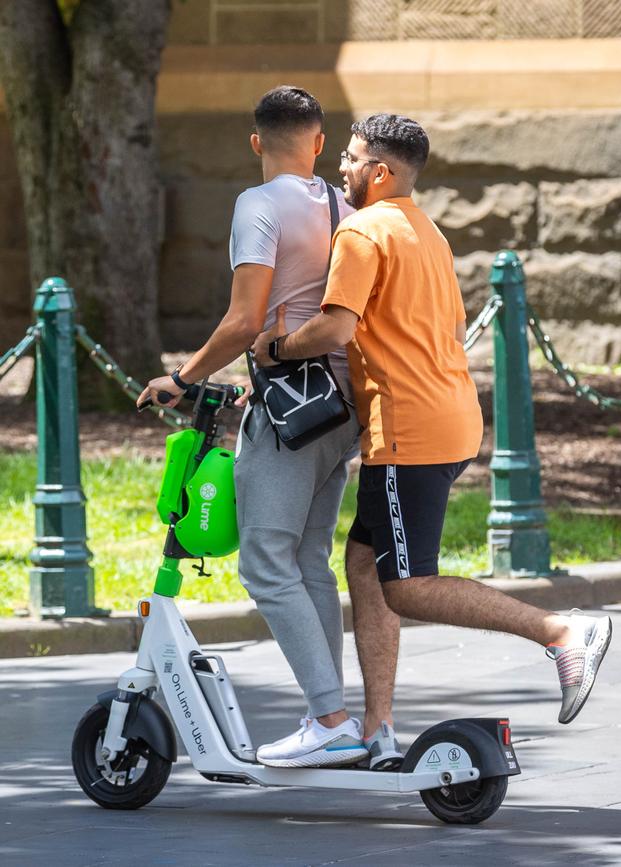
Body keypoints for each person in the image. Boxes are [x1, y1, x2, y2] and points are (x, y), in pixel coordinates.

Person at [252, 113, 613, 769]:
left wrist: (275, 346)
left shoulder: (362, 230)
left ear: (380, 172)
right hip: (451, 417)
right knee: (365, 564)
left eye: (354, 157)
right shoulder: (426, 229)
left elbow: (334, 329)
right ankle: (377, 727)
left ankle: (562, 631)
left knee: (406, 586)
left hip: (408, 430)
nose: (342, 166)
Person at [138, 86, 370, 769]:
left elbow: (245, 319)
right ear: (320, 143)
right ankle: (330, 713)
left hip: (289, 412)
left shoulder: (257, 205)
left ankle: (329, 716)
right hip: (341, 408)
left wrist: (180, 378)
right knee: (306, 561)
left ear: (254, 142)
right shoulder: (344, 205)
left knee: (266, 562)